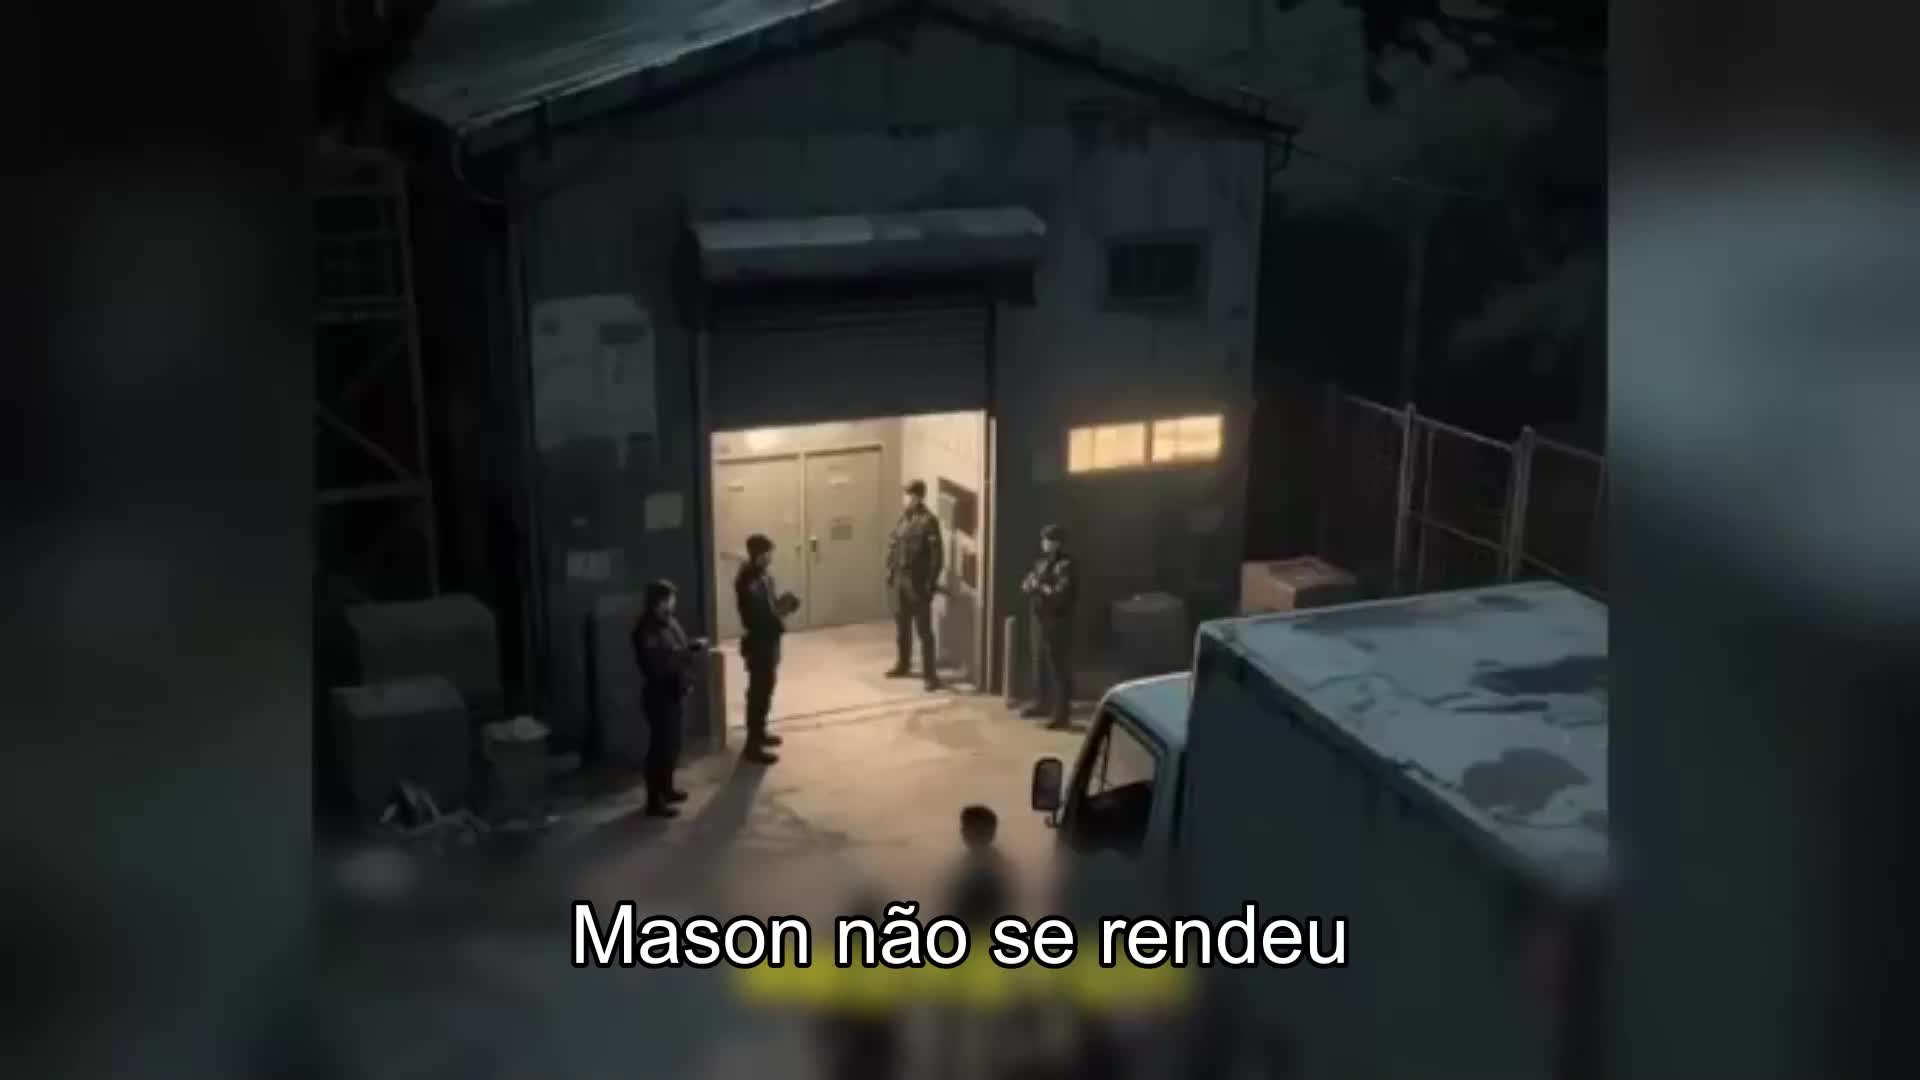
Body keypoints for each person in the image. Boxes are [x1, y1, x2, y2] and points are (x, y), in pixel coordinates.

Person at [631, 579, 705, 818]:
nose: (673, 602)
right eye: (670, 598)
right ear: (658, 602)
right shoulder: (647, 630)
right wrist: (685, 653)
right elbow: (657, 665)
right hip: (659, 695)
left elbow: (678, 649)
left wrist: (691, 647)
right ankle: (654, 801)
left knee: (672, 745)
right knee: (660, 749)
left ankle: (667, 788)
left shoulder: (669, 622)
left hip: (675, 691)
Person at [734, 533, 796, 764]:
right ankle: (752, 746)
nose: (771, 557)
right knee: (758, 693)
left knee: (767, 688)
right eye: (768, 553)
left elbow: (770, 608)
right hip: (759, 641)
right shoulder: (748, 580)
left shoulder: (763, 577)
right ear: (759, 554)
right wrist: (779, 612)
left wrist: (783, 605)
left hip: (769, 640)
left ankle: (760, 733)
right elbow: (757, 615)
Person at [884, 479, 944, 690]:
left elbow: (937, 558)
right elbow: (893, 545)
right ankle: (903, 664)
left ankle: (930, 675)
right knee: (902, 627)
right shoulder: (903, 518)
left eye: (909, 495)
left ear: (918, 497)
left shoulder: (928, 521)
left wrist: (930, 584)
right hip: (901, 581)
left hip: (918, 584)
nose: (906, 498)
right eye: (906, 494)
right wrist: (889, 571)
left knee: (924, 631)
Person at [1019, 523, 1078, 728]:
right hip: (1039, 619)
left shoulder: (1066, 565)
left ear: (1057, 543)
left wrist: (1041, 587)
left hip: (1057, 622)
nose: (1043, 543)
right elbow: (1028, 582)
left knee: (1058, 668)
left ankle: (1061, 715)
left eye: (1047, 540)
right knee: (1039, 662)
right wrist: (1029, 585)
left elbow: (1061, 594)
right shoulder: (1041, 561)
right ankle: (1041, 702)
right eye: (1043, 539)